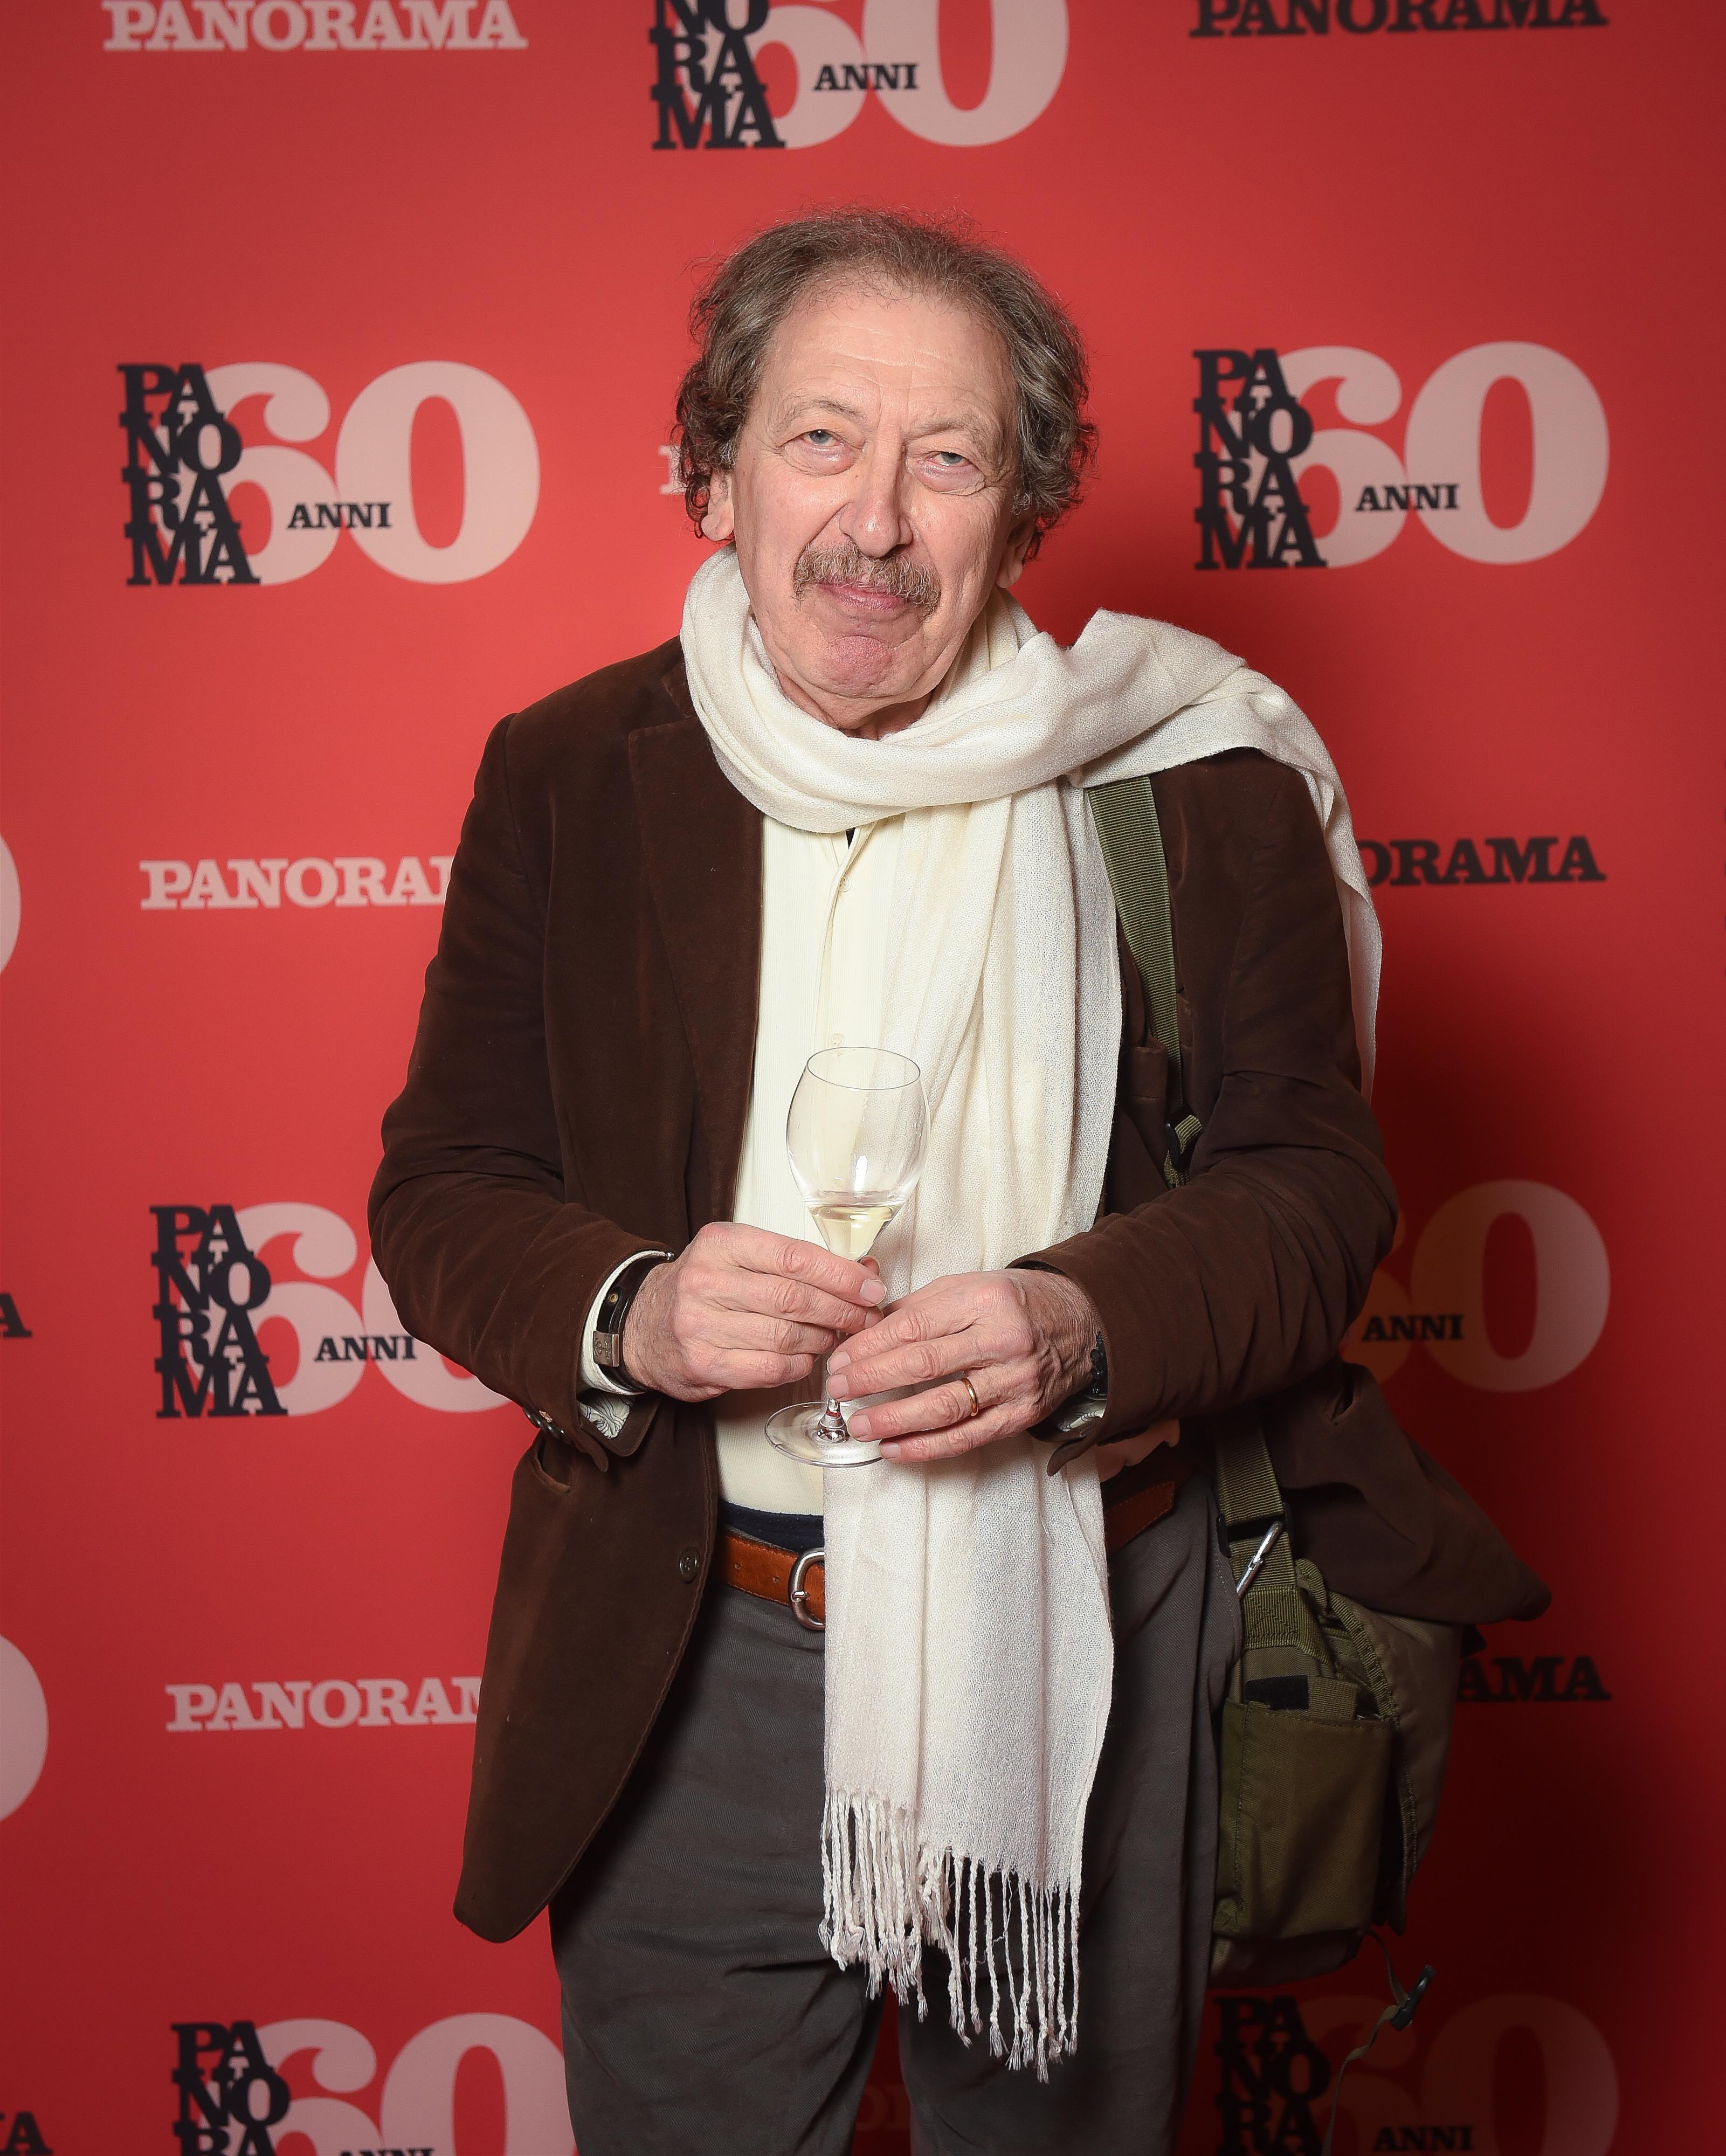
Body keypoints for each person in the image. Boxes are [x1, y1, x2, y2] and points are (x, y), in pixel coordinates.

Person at [370, 208, 1399, 2155]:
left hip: (1081, 1642)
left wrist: (1085, 1323)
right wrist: (633, 1311)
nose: (875, 522)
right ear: (714, 477)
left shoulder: (1192, 782)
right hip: (694, 1663)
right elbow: (446, 1183)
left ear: (1023, 516)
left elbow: (1313, 1193)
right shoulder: (570, 772)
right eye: (821, 440)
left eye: (948, 460)